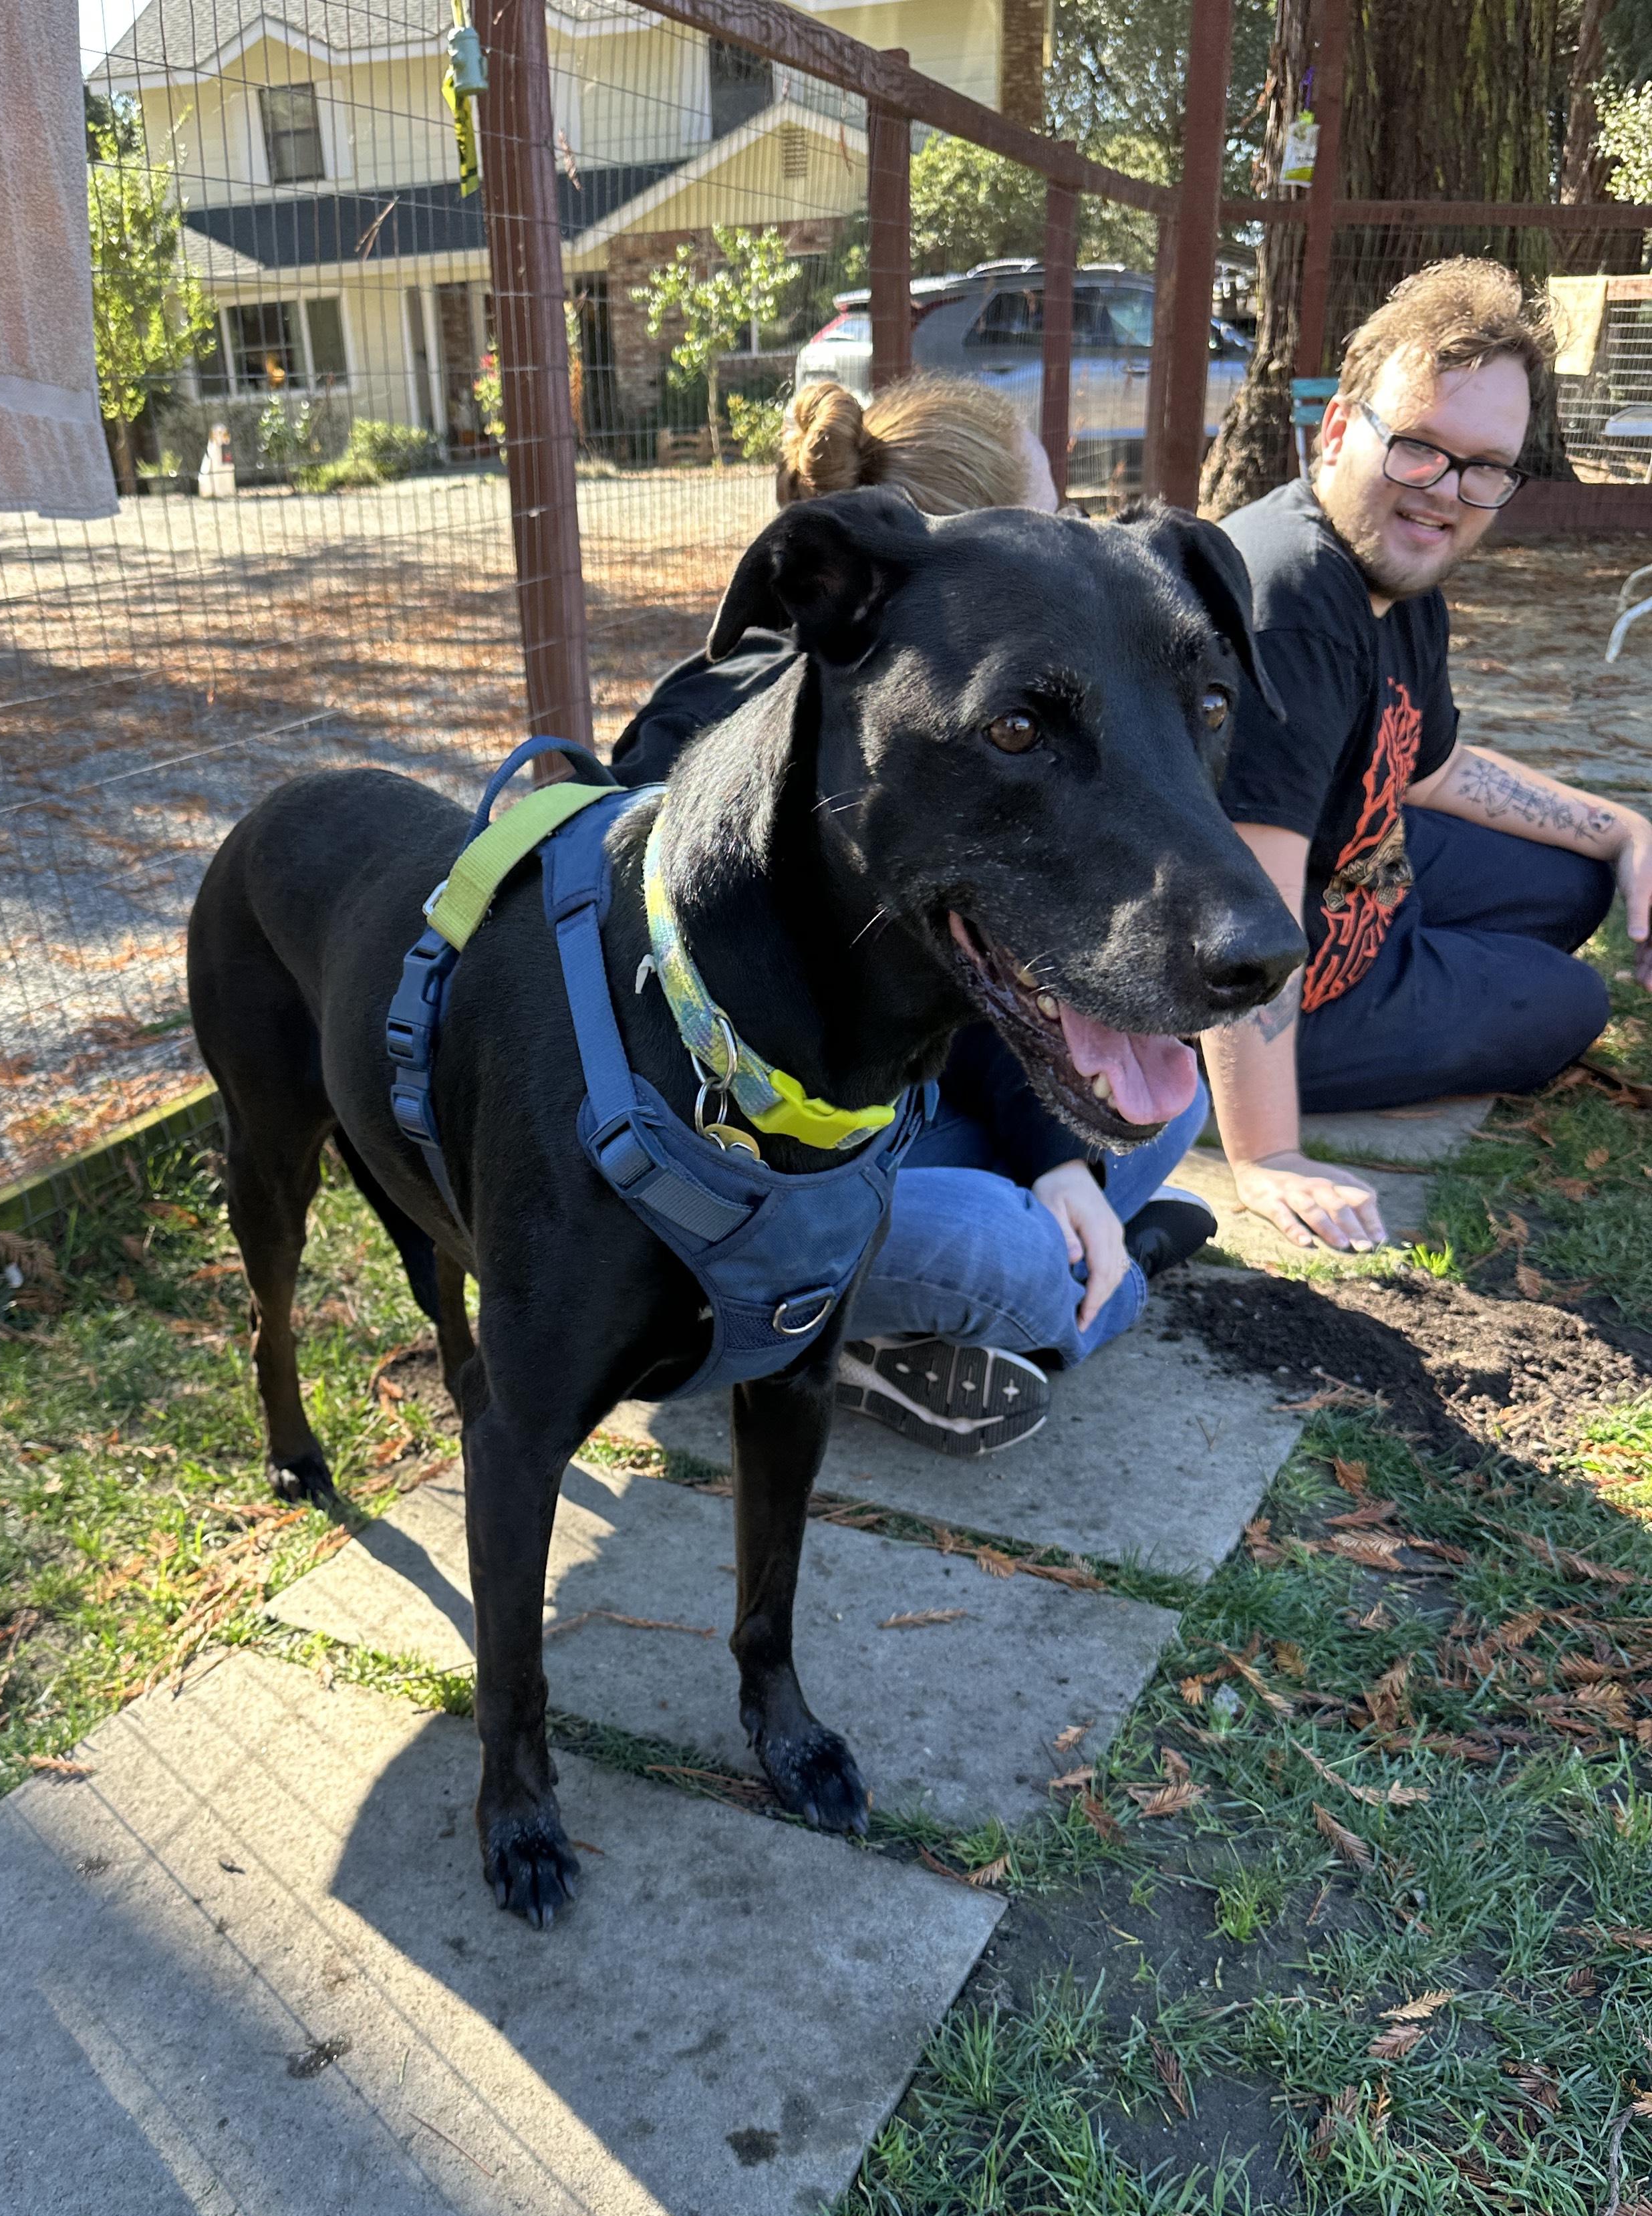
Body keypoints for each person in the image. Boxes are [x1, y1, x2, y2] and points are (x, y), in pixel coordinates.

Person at [609, 375, 1219, 1459]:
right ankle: (853, 1329)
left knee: (1163, 1092)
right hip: (740, 1149)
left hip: (900, 1099)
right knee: (1014, 1252)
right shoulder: (714, 729)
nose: (1074, 541)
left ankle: (1048, 1246)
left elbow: (973, 969)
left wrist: (1057, 1160)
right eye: (1050, 519)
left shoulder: (984, 714)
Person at [1211, 258, 1652, 1255]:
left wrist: (1624, 828)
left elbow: (1433, 769)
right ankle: (1293, 1065)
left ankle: (1443, 963)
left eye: (1484, 467)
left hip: (1361, 879)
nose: (1446, 493)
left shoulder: (1399, 578)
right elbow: (1246, 907)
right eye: (1418, 449)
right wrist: (1267, 1156)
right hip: (1271, 974)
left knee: (1579, 881)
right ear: (1337, 432)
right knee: (1570, 1003)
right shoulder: (1293, 605)